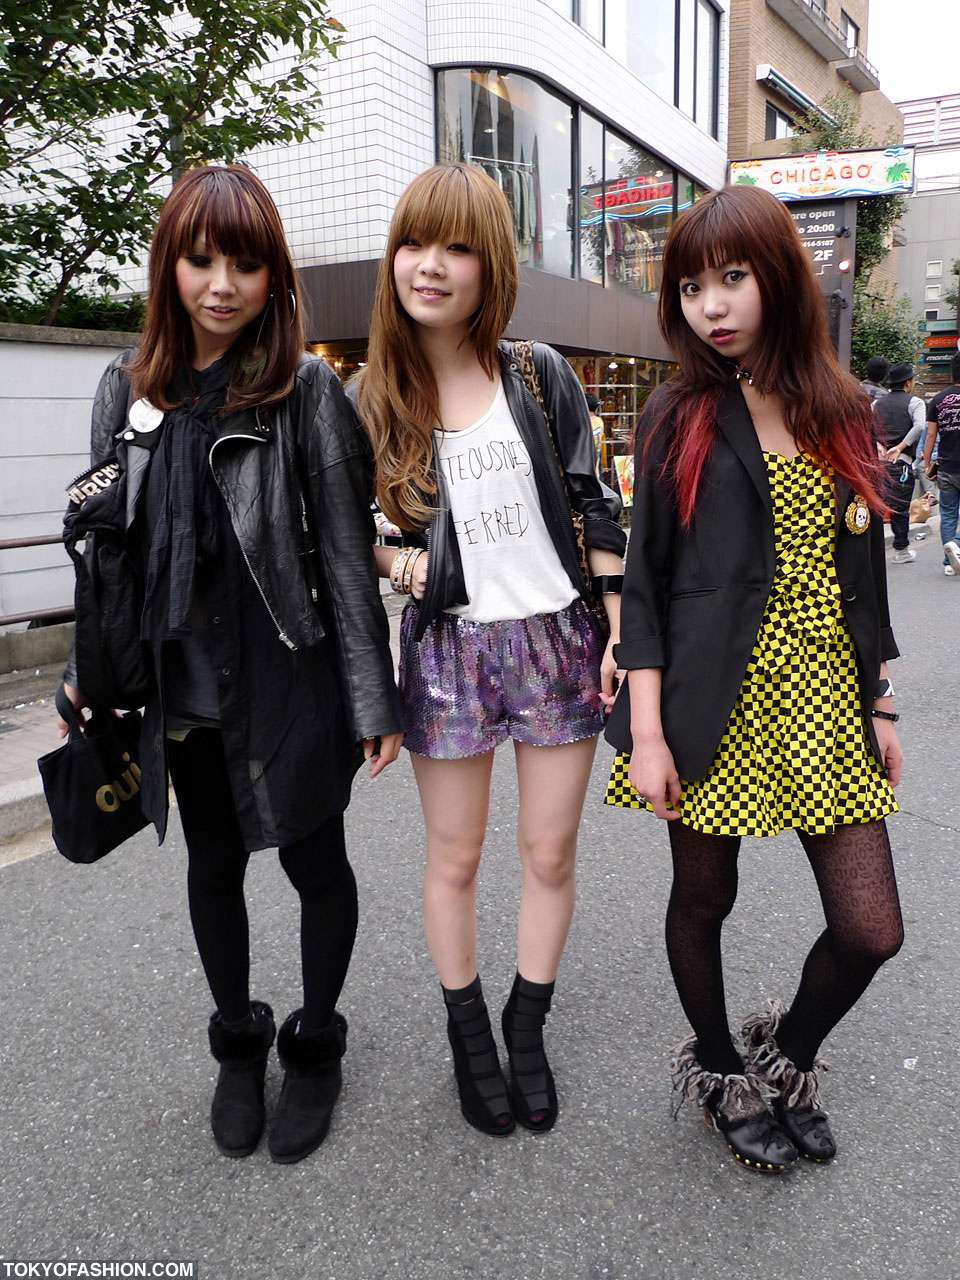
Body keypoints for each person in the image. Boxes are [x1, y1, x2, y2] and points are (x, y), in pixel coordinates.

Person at [58, 165, 403, 1164]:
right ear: (169, 264)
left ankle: (318, 1040)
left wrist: (370, 697)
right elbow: (105, 548)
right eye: (200, 258)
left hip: (291, 680)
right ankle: (239, 1044)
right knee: (213, 865)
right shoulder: (124, 390)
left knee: (313, 861)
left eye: (244, 262)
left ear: (271, 275)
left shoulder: (307, 391)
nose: (220, 282)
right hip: (182, 695)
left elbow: (345, 553)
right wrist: (91, 666)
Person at [604, 184, 904, 1173]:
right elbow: (642, 585)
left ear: (778, 274)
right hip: (710, 703)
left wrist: (882, 699)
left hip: (825, 697)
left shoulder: (842, 407)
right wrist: (646, 732)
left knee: (870, 929)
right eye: (691, 286)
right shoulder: (678, 411)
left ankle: (790, 1052)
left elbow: (860, 573)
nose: (711, 305)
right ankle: (722, 1068)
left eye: (731, 277)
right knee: (705, 894)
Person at [353, 163, 625, 1136]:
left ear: (488, 263)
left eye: (456, 246)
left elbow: (596, 501)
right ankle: (471, 1036)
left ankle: (528, 1020)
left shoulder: (537, 372)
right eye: (415, 243)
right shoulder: (369, 396)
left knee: (549, 850)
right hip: (448, 655)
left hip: (557, 638)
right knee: (455, 856)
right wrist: (397, 563)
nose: (431, 265)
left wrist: (619, 629)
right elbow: (342, 532)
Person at [874, 361, 926, 564]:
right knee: (900, 507)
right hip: (901, 462)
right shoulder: (915, 403)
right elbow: (920, 426)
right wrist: (902, 446)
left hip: (877, 463)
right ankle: (901, 549)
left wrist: (878, 443)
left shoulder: (877, 403)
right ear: (908, 382)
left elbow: (868, 425)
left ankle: (874, 550)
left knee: (876, 506)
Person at [923, 351, 960, 576]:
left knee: (948, 515)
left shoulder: (938, 399)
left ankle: (949, 562)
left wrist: (928, 464)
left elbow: (930, 435)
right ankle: (956, 547)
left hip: (946, 466)